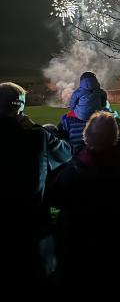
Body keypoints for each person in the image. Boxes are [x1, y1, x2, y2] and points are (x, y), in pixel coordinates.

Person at [49, 111, 120, 289]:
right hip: (114, 245)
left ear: (87, 135)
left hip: (78, 247)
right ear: (114, 136)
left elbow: (57, 198)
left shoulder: (75, 167)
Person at [0, 82, 71, 290]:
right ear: (20, 107)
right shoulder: (36, 136)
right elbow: (66, 153)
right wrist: (34, 127)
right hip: (32, 225)